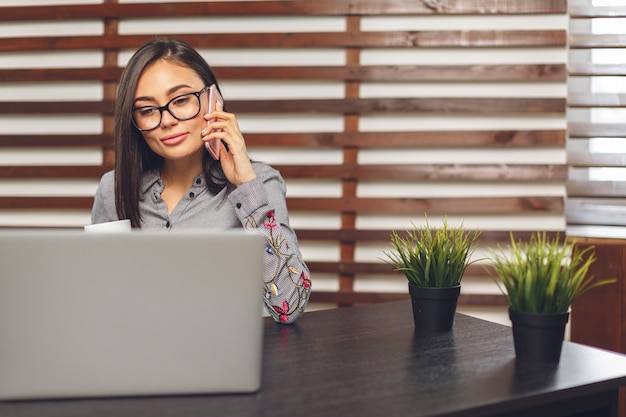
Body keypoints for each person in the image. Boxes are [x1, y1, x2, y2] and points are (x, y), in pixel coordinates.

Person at [91, 38, 311, 323]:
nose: (167, 120)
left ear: (213, 99)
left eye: (181, 100)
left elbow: (289, 307)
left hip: (226, 361)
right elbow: (101, 301)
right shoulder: (114, 190)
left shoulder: (259, 184)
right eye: (147, 110)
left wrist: (245, 184)